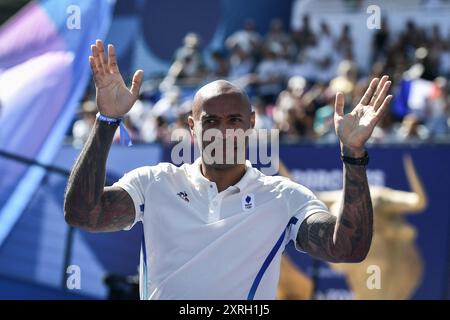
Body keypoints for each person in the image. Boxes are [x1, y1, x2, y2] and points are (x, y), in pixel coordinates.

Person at [64, 40, 392, 300]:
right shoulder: (155, 183)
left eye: (234, 120)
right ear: (192, 126)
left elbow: (347, 249)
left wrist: (353, 154)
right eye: (211, 121)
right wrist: (107, 120)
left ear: (251, 123)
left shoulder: (284, 197)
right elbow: (83, 214)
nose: (224, 132)